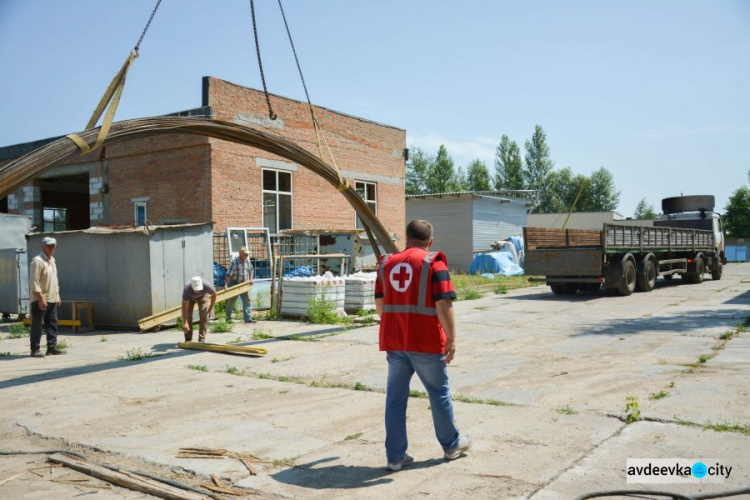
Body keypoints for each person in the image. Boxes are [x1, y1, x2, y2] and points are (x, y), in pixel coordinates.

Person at [375, 220, 471, 471]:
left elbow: (380, 305)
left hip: (395, 342)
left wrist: (398, 324)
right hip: (426, 342)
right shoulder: (433, 262)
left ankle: (395, 456)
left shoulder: (386, 263)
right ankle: (451, 444)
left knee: (395, 398)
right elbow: (443, 304)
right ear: (431, 241)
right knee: (438, 394)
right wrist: (452, 338)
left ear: (406, 239)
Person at [29, 236, 66, 357]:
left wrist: (57, 295)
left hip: (52, 298)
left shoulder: (52, 260)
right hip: (40, 299)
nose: (51, 248)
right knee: (37, 324)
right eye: (49, 246)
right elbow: (34, 282)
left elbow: (54, 280)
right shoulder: (38, 261)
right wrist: (40, 298)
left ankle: (52, 347)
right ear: (43, 246)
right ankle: (35, 349)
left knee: (52, 323)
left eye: (53, 246)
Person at [224, 246, 255, 323]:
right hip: (234, 284)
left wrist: (251, 279)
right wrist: (225, 285)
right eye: (246, 254)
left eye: (247, 254)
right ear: (241, 254)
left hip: (244, 284)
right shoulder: (234, 262)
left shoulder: (248, 262)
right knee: (231, 301)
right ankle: (228, 318)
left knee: (247, 301)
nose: (247, 256)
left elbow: (251, 271)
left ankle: (248, 319)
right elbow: (228, 274)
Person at [181, 276, 217, 343]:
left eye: (199, 289)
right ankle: (188, 339)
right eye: (196, 289)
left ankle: (201, 339)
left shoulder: (207, 285)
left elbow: (214, 295)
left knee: (203, 313)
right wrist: (185, 323)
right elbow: (184, 307)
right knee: (188, 314)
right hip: (190, 298)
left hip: (203, 296)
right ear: (192, 286)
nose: (197, 291)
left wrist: (210, 308)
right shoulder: (187, 289)